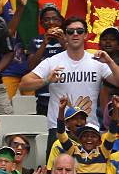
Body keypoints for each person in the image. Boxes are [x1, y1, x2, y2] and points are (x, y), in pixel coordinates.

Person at [21, 17, 119, 153]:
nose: (75, 34)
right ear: (65, 35)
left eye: (79, 31)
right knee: (57, 173)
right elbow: (24, 84)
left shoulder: (97, 61)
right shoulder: (52, 62)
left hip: (90, 128)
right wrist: (46, 80)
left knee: (91, 173)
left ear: (85, 35)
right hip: (59, 127)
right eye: (70, 31)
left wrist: (109, 61)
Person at [57, 94, 119, 174]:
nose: (89, 139)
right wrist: (61, 109)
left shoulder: (103, 152)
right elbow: (61, 134)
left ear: (99, 141)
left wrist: (116, 109)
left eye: (93, 136)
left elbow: (112, 132)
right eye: (85, 136)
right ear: (80, 139)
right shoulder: (74, 151)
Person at [26, 3, 66, 116]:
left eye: (55, 19)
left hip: (66, 95)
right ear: (42, 23)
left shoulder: (68, 38)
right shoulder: (36, 41)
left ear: (60, 21)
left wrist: (63, 43)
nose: (51, 23)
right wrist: (44, 44)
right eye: (47, 20)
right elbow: (31, 66)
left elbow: (76, 59)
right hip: (43, 96)